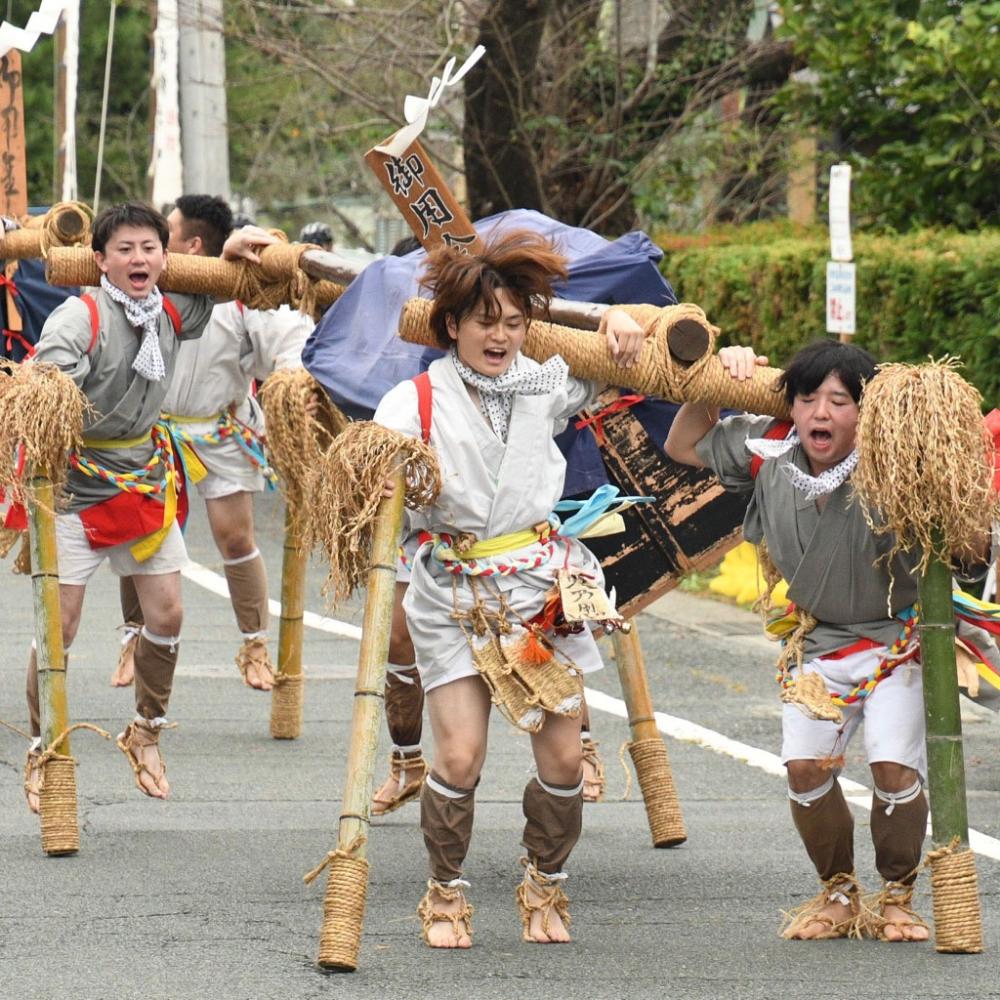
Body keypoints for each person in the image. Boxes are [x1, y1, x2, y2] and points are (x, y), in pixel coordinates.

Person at [373, 230, 645, 948]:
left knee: (561, 756)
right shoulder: (413, 402)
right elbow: (370, 476)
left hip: (538, 595)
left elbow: (637, 358)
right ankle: (445, 893)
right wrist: (380, 480)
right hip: (452, 594)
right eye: (485, 321)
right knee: (459, 755)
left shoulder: (547, 382)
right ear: (452, 324)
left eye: (515, 322)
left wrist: (618, 321)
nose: (500, 336)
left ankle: (545, 881)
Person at [665, 339, 988, 942]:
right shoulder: (768, 448)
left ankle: (897, 895)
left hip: (900, 641)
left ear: (866, 412)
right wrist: (714, 377)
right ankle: (838, 892)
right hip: (816, 642)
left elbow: (969, 554)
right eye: (808, 397)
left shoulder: (897, 464)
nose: (820, 413)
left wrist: (954, 480)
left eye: (840, 401)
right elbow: (681, 444)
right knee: (805, 769)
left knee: (893, 768)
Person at [22, 202, 274, 811]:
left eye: (149, 248)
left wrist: (234, 246)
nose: (138, 259)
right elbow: (46, 385)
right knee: (61, 627)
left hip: (144, 480)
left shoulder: (170, 309)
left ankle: (147, 731)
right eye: (125, 249)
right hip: (76, 489)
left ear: (167, 255)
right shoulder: (78, 318)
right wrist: (52, 394)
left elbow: (219, 280)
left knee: (167, 615)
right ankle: (42, 747)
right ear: (101, 259)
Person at [112, 194, 314, 691]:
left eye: (168, 235)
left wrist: (292, 383)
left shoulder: (243, 292)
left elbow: (290, 343)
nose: (155, 246)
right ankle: (133, 640)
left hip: (220, 428)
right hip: (155, 430)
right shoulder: (145, 285)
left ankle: (254, 644)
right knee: (142, 536)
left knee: (236, 537)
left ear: (193, 245)